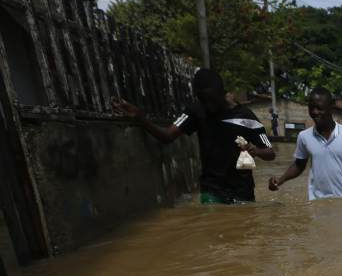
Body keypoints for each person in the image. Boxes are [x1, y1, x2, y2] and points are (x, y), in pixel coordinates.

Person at [114, 69, 276, 204]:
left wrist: (255, 150)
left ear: (222, 93)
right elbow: (167, 136)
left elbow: (270, 152)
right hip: (211, 190)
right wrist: (140, 117)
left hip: (243, 191)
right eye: (203, 100)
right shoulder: (195, 111)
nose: (208, 106)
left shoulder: (246, 116)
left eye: (212, 100)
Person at [267, 87, 342, 200]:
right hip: (317, 204)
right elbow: (299, 165)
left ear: (330, 108)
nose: (314, 112)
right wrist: (280, 180)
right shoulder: (304, 136)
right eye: (311, 108)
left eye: (319, 108)